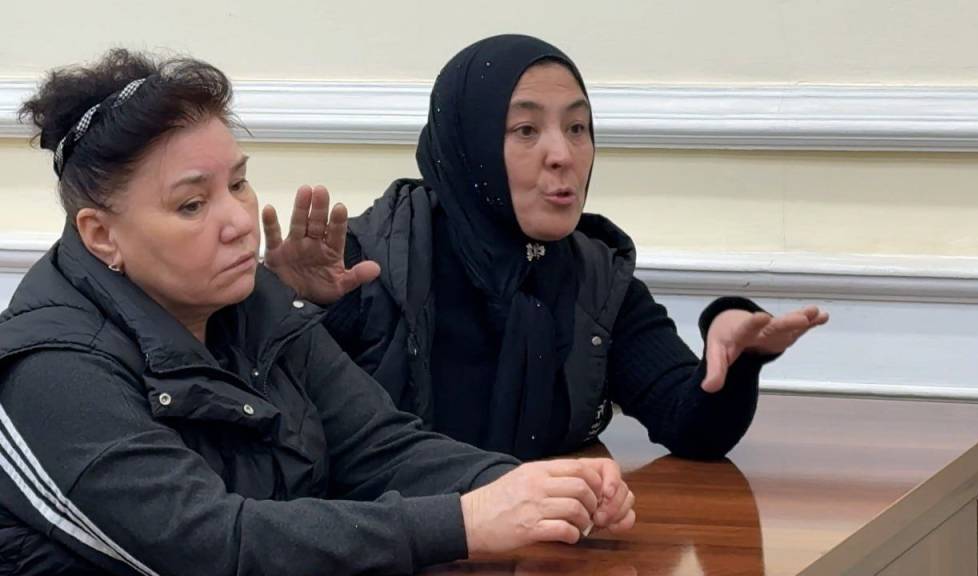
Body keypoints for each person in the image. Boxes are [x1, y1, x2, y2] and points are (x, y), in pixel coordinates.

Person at [0, 49, 634, 576]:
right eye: (192, 205)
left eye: (238, 184)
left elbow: (379, 448)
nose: (239, 220)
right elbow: (209, 545)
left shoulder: (251, 299)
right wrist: (464, 522)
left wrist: (538, 491)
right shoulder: (51, 370)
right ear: (101, 235)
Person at [263, 34, 829, 461]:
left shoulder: (595, 278)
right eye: (526, 131)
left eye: (577, 128)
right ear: (469, 147)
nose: (562, 155)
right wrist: (283, 307)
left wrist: (735, 354)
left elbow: (691, 426)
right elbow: (283, 449)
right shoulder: (367, 265)